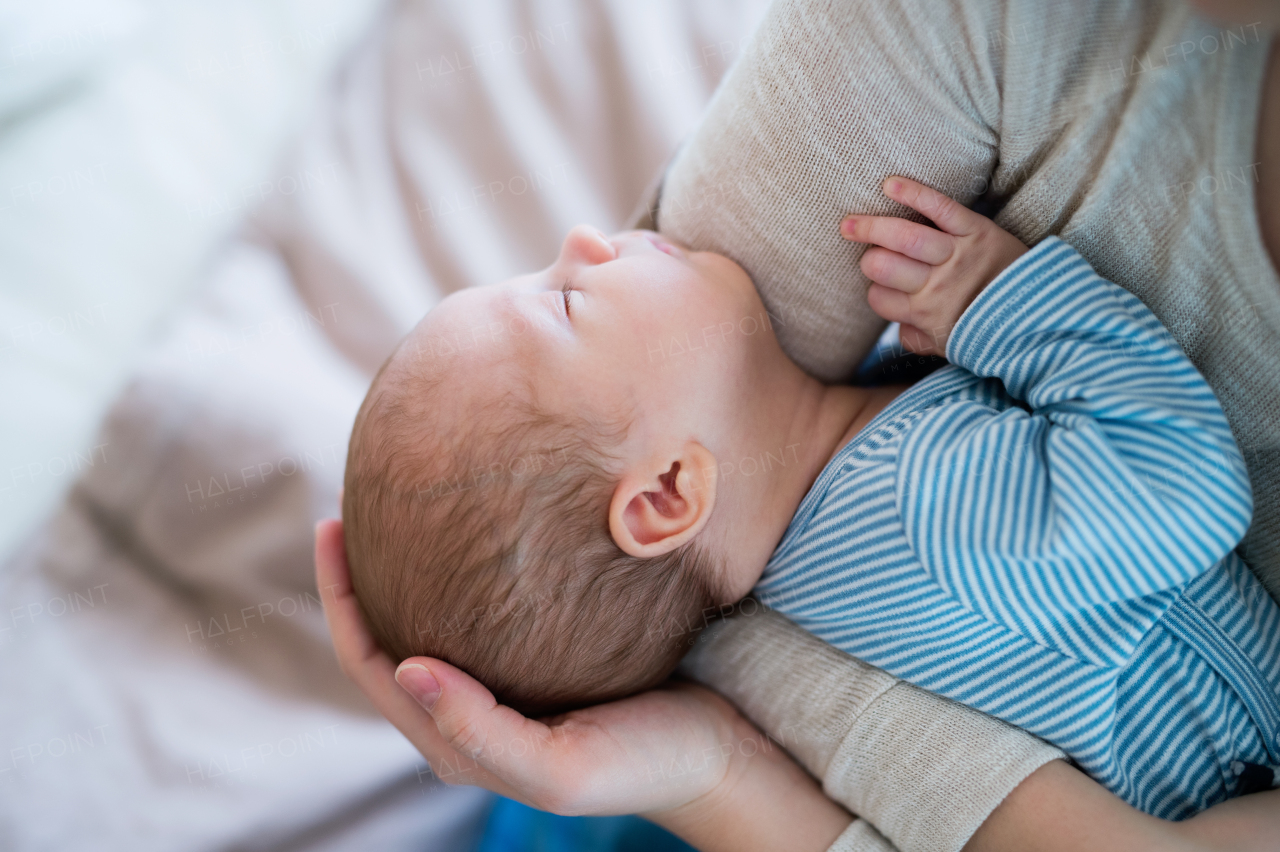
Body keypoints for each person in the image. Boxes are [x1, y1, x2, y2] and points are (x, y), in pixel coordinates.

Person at [339, 172, 1278, 821]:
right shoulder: (919, 510)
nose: (584, 241)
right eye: (567, 302)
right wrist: (999, 302)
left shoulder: (813, 566)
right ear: (669, 492)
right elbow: (1188, 487)